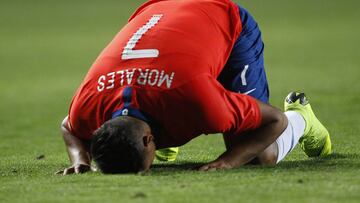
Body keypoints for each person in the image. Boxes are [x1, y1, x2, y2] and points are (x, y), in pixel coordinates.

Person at [57, 0, 332, 175]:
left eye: (145, 170)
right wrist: (81, 157)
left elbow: (275, 120)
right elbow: (69, 126)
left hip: (224, 19)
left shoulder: (196, 99)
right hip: (160, 10)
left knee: (260, 156)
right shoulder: (87, 106)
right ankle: (168, 136)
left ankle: (304, 119)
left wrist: (229, 160)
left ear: (148, 139)